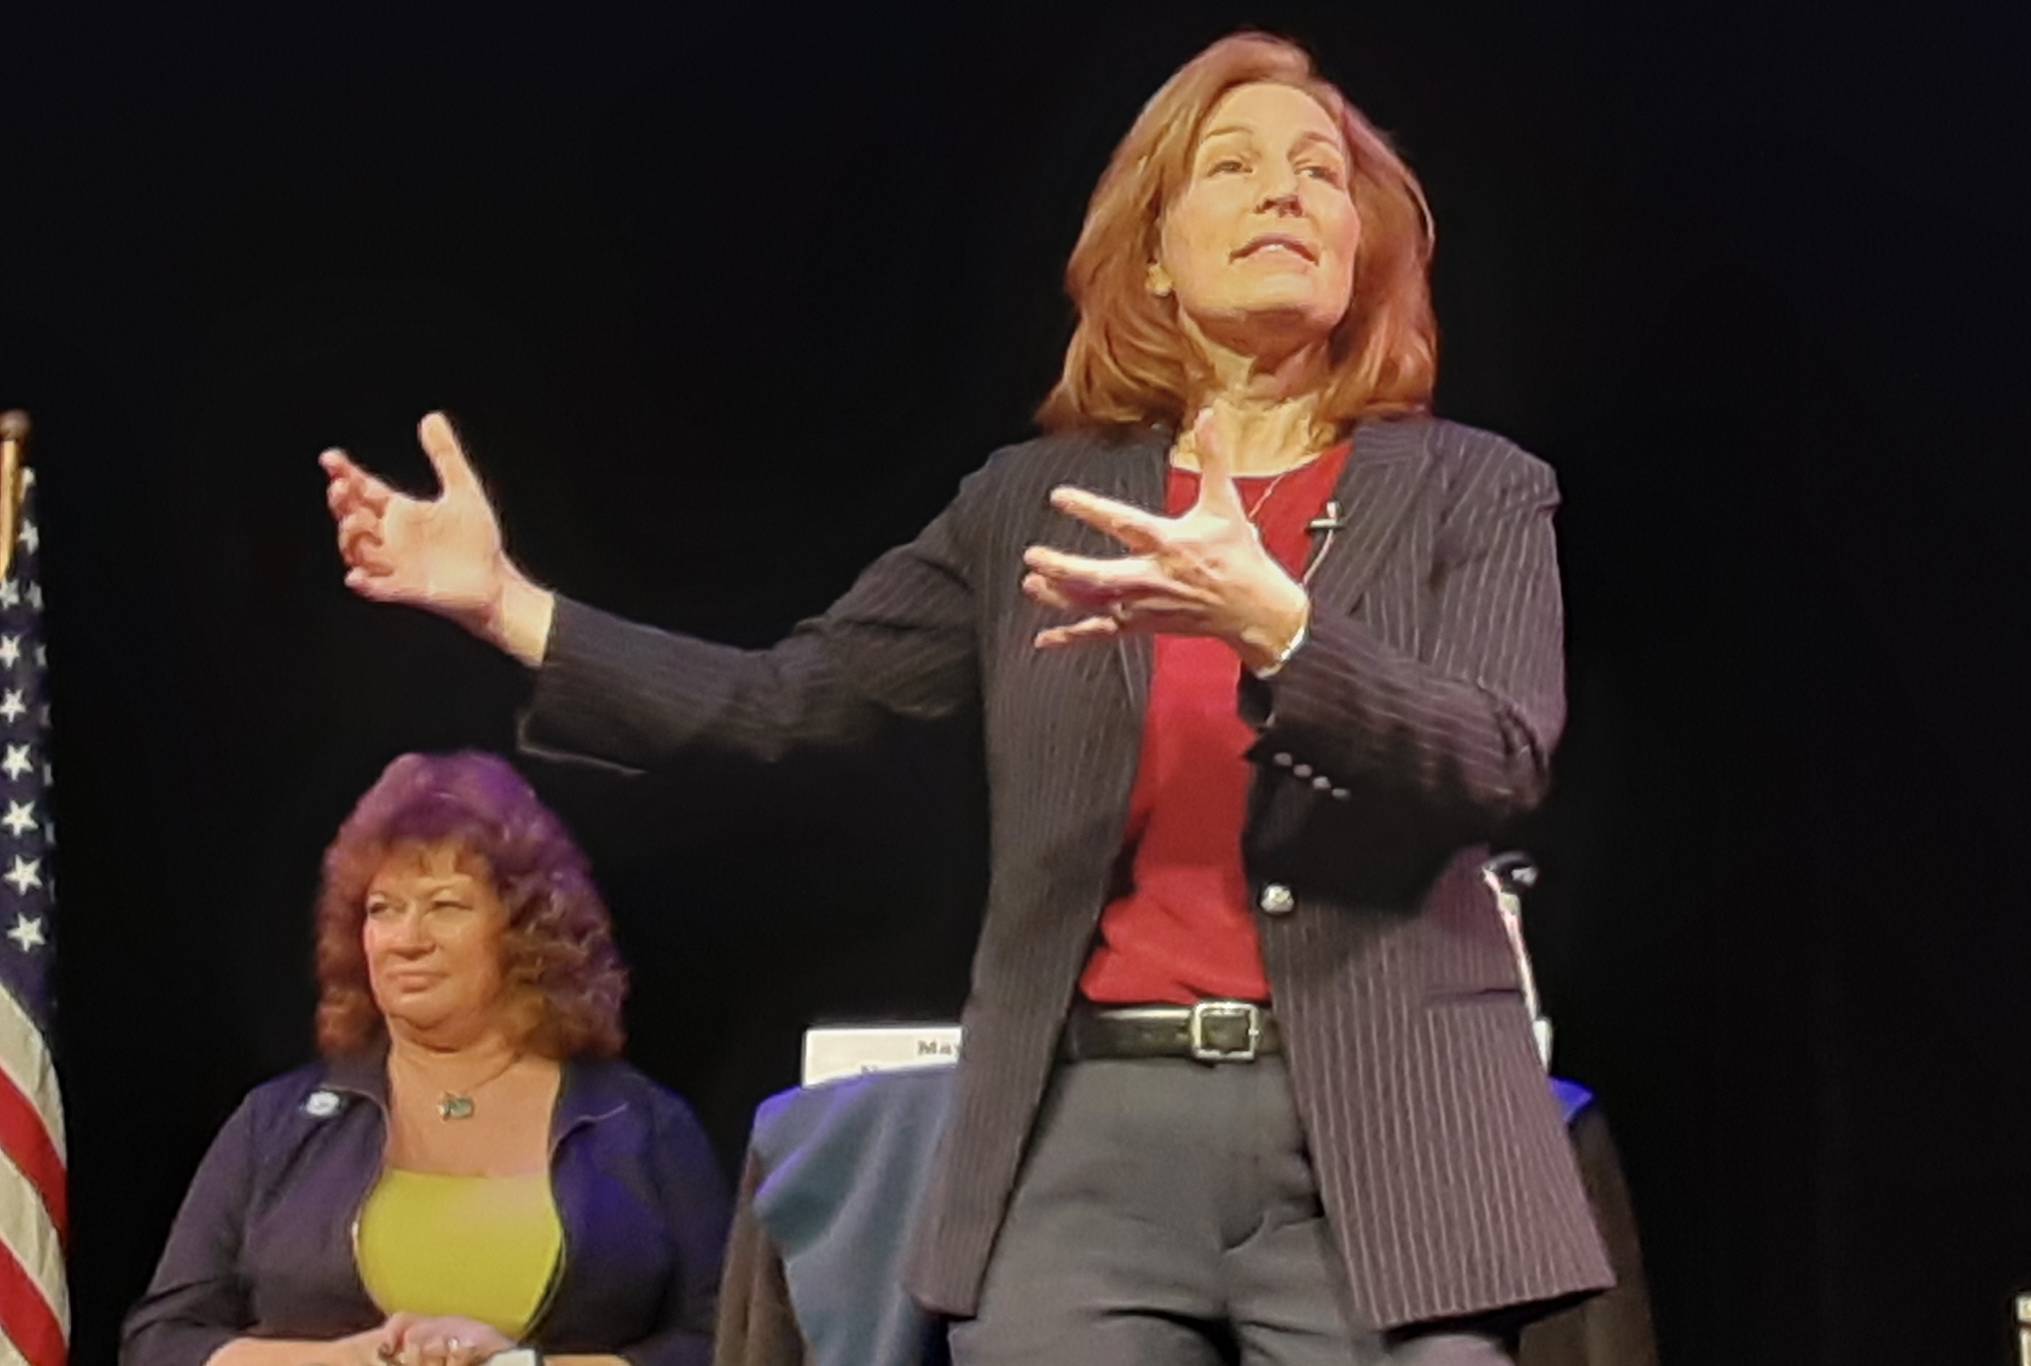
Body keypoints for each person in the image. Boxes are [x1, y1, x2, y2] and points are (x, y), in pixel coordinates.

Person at [318, 31, 1611, 1365]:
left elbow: (1499, 752)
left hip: (1382, 1139)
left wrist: (1279, 627)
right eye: (1233, 165)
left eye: (1319, 172)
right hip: (1092, 1142)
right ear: (1154, 256)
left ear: (1363, 246)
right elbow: (783, 702)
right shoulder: (1029, 508)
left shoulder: (1476, 490)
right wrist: (504, 605)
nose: (1287, 191)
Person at [122, 752, 728, 1366]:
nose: (406, 940)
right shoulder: (275, 1125)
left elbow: (726, 1342)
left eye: (445, 906)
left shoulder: (639, 1124)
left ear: (525, 934)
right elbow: (162, 1343)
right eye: (383, 909)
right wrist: (353, 1361)